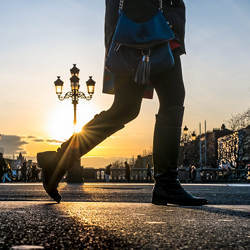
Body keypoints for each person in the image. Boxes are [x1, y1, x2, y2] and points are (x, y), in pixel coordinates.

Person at [37, 0, 207, 206]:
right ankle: (166, 183)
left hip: (146, 26)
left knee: (128, 108)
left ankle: (57, 160)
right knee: (159, 102)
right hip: (145, 27)